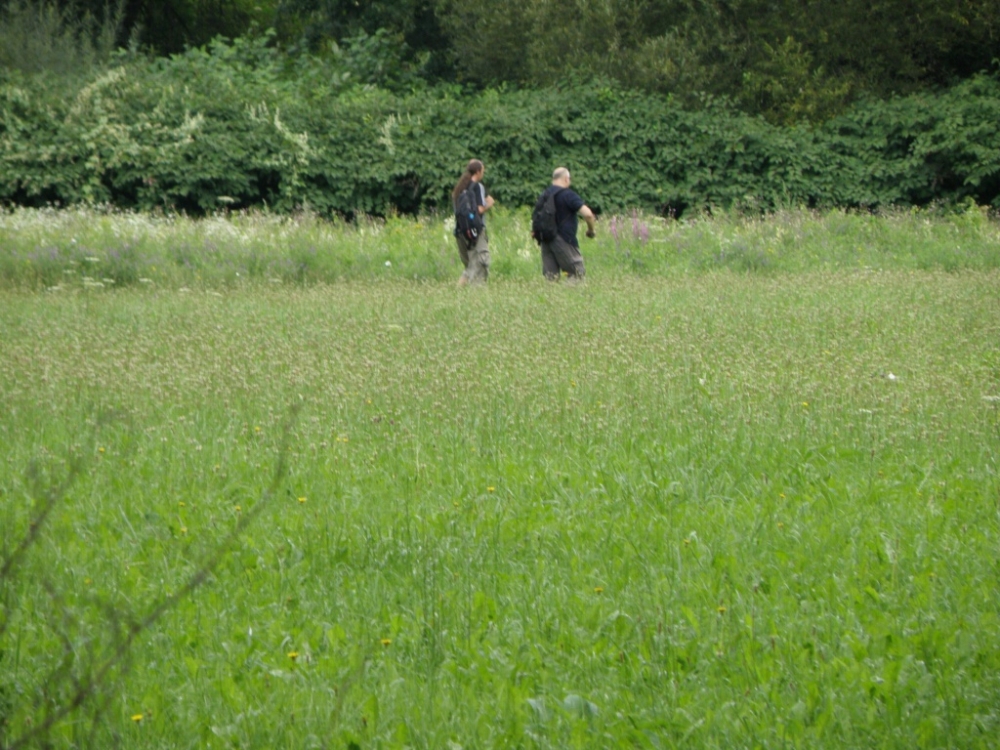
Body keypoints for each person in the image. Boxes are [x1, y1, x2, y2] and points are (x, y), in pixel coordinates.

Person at [536, 167, 596, 280]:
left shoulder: (544, 195)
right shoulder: (568, 195)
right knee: (577, 273)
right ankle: (572, 297)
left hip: (546, 239)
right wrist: (591, 230)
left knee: (551, 278)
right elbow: (588, 214)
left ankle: (552, 298)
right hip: (564, 239)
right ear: (566, 179)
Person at [452, 159, 495, 286]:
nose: (483, 173)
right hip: (475, 231)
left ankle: (456, 293)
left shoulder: (459, 188)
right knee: (481, 262)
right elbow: (480, 209)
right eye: (483, 170)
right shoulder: (478, 186)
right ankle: (477, 295)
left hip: (461, 232)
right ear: (478, 171)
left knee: (470, 266)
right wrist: (489, 204)